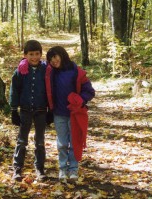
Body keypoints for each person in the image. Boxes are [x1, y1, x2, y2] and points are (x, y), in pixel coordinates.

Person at [45, 46, 95, 181]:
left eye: (55, 57)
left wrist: (81, 99)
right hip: (58, 114)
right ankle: (62, 169)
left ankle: (73, 169)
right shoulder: (50, 73)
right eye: (50, 59)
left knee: (74, 142)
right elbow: (34, 63)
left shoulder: (75, 71)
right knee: (62, 143)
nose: (53, 61)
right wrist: (23, 62)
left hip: (74, 114)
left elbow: (89, 91)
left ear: (62, 55)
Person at [9, 40, 49, 181]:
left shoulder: (46, 70)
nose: (34, 57)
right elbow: (14, 90)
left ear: (41, 54)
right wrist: (14, 110)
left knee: (40, 141)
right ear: (25, 55)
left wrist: (50, 110)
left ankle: (39, 169)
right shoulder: (20, 71)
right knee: (22, 140)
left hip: (41, 110)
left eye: (37, 54)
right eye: (31, 54)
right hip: (25, 110)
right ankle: (17, 169)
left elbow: (50, 90)